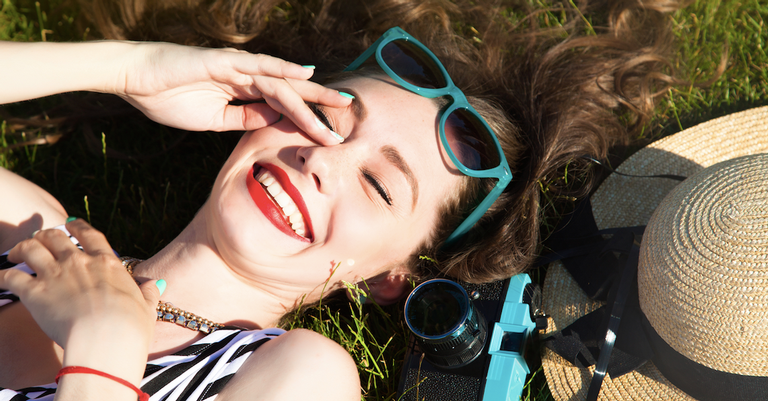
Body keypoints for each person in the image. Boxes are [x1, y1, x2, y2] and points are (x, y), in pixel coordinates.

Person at [0, 0, 682, 399]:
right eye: (325, 118)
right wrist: (129, 68)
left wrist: (101, 356)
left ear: (392, 276)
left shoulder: (299, 376)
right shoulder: (36, 234)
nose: (321, 160)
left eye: (380, 185)